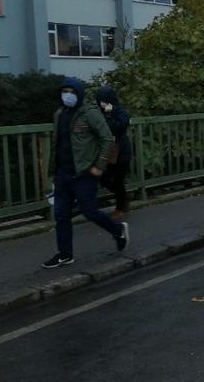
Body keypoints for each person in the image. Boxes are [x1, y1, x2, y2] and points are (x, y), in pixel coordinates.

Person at [43, 78, 129, 269]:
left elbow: (107, 138)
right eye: (64, 91)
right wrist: (53, 171)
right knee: (61, 215)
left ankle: (117, 230)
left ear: (79, 94)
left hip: (84, 173)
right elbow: (57, 144)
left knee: (90, 212)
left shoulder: (89, 113)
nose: (67, 95)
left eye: (71, 92)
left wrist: (99, 165)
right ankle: (65, 254)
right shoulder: (60, 114)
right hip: (63, 173)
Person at [96, 87, 132, 220]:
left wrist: (109, 114)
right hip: (107, 152)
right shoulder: (98, 113)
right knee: (104, 178)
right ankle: (123, 196)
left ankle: (120, 207)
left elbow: (117, 127)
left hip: (121, 152)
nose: (102, 104)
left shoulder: (121, 113)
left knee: (118, 180)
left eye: (105, 101)